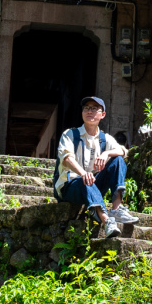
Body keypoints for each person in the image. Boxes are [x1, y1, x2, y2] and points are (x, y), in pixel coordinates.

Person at [54, 95, 139, 238]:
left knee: (117, 159)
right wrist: (83, 173)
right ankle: (107, 221)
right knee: (85, 179)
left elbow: (124, 151)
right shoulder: (70, 134)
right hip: (69, 187)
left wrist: (106, 153)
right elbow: (67, 158)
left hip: (91, 184)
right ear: (82, 113)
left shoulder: (105, 139)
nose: (89, 111)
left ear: (103, 114)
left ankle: (116, 209)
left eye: (94, 109)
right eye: (86, 108)